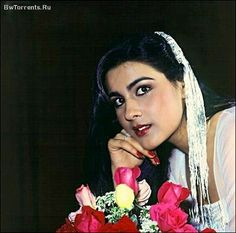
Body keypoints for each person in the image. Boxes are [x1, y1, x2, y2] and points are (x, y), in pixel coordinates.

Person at [83, 32, 235, 232]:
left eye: (143, 90)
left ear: (182, 84)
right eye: (119, 101)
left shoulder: (230, 133)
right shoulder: (175, 165)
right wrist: (125, 179)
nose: (129, 113)